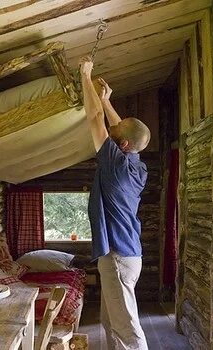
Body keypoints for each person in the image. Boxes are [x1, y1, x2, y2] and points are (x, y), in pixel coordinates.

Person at [79, 56, 151, 350]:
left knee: (127, 330)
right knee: (112, 324)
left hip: (118, 257)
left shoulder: (115, 166)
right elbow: (118, 128)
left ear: (120, 146)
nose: (114, 126)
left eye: (117, 129)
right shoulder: (136, 165)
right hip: (127, 256)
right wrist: (107, 100)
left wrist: (86, 77)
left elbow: (95, 119)